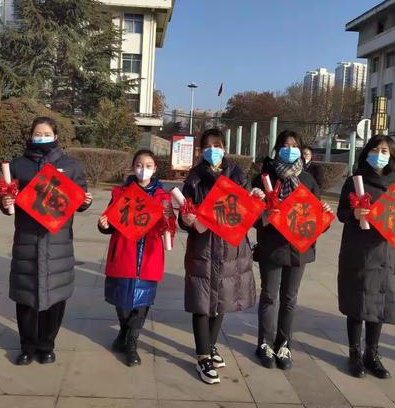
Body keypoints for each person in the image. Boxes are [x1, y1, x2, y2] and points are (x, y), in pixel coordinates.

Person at [0, 116, 92, 366]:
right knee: (25, 297)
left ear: (56, 136)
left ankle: (47, 344)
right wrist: (5, 201)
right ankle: (27, 346)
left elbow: (81, 197)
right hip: (27, 239)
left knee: (56, 297)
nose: (41, 137)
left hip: (58, 241)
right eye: (36, 134)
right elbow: (7, 198)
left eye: (46, 133)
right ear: (30, 136)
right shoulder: (18, 165)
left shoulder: (70, 165)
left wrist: (86, 201)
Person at [179, 128, 264, 384]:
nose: (212, 150)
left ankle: (211, 345)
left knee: (222, 299)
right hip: (203, 248)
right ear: (202, 151)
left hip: (230, 249)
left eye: (217, 146)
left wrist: (257, 199)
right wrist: (186, 220)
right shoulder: (194, 179)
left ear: (224, 148)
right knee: (202, 302)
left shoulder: (239, 176)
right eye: (207, 147)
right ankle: (203, 356)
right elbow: (184, 214)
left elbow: (252, 214)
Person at [252, 130, 332, 370]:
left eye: (294, 145)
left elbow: (316, 221)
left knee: (289, 299)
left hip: (299, 249)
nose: (290, 149)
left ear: (300, 150)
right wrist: (265, 215)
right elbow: (253, 218)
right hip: (271, 247)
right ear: (277, 148)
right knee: (269, 296)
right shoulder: (263, 179)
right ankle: (264, 343)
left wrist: (324, 215)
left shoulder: (308, 181)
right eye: (285, 145)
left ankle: (283, 343)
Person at [98, 150, 175, 367]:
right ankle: (123, 333)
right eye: (139, 165)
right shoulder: (121, 193)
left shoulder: (163, 197)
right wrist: (103, 225)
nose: (143, 169)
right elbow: (109, 220)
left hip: (149, 255)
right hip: (123, 253)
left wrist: (168, 224)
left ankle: (131, 343)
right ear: (133, 167)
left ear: (154, 168)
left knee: (142, 302)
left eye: (148, 165)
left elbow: (170, 225)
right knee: (121, 301)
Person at [337, 135, 395, 379]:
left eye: (385, 151)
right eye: (375, 149)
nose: (380, 154)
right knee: (357, 303)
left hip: (386, 251)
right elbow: (341, 213)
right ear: (367, 152)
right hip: (360, 251)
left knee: (379, 305)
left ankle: (372, 354)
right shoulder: (355, 181)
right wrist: (354, 212)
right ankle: (354, 353)